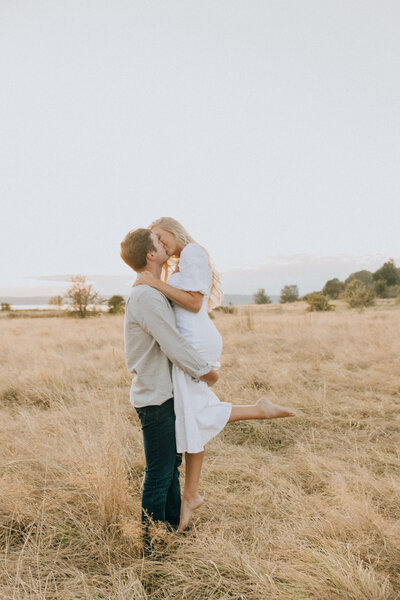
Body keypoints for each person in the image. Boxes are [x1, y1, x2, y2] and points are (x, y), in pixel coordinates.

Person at [133, 217, 295, 532]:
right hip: (195, 340)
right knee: (191, 414)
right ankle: (190, 496)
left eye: (159, 235)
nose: (159, 241)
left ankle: (193, 493)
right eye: (153, 239)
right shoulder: (181, 263)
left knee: (193, 413)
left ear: (172, 229)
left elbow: (193, 303)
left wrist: (154, 283)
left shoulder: (192, 251)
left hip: (195, 342)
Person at [120, 227, 219, 549]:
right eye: (158, 243)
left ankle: (177, 528)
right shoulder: (147, 295)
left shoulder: (155, 290)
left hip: (165, 392)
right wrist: (206, 373)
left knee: (169, 466)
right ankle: (152, 545)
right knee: (159, 472)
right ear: (152, 255)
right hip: (155, 396)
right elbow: (171, 342)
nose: (164, 244)